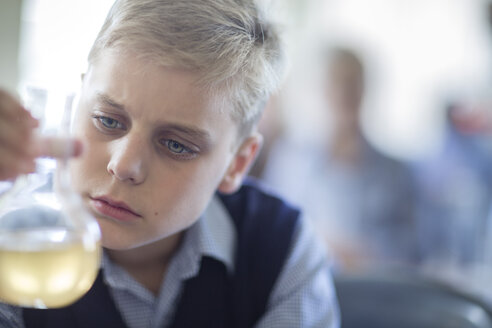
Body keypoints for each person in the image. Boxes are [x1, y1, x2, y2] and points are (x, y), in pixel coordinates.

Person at [0, 1, 339, 327]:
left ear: (237, 163)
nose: (124, 165)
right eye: (107, 120)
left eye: (176, 145)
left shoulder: (280, 250)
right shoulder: (10, 230)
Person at [261, 47, 418, 271]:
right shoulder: (290, 161)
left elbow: (412, 250)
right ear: (321, 90)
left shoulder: (396, 172)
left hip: (377, 294)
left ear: (364, 90)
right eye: (335, 83)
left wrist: (365, 255)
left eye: (352, 84)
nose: (344, 94)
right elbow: (270, 233)